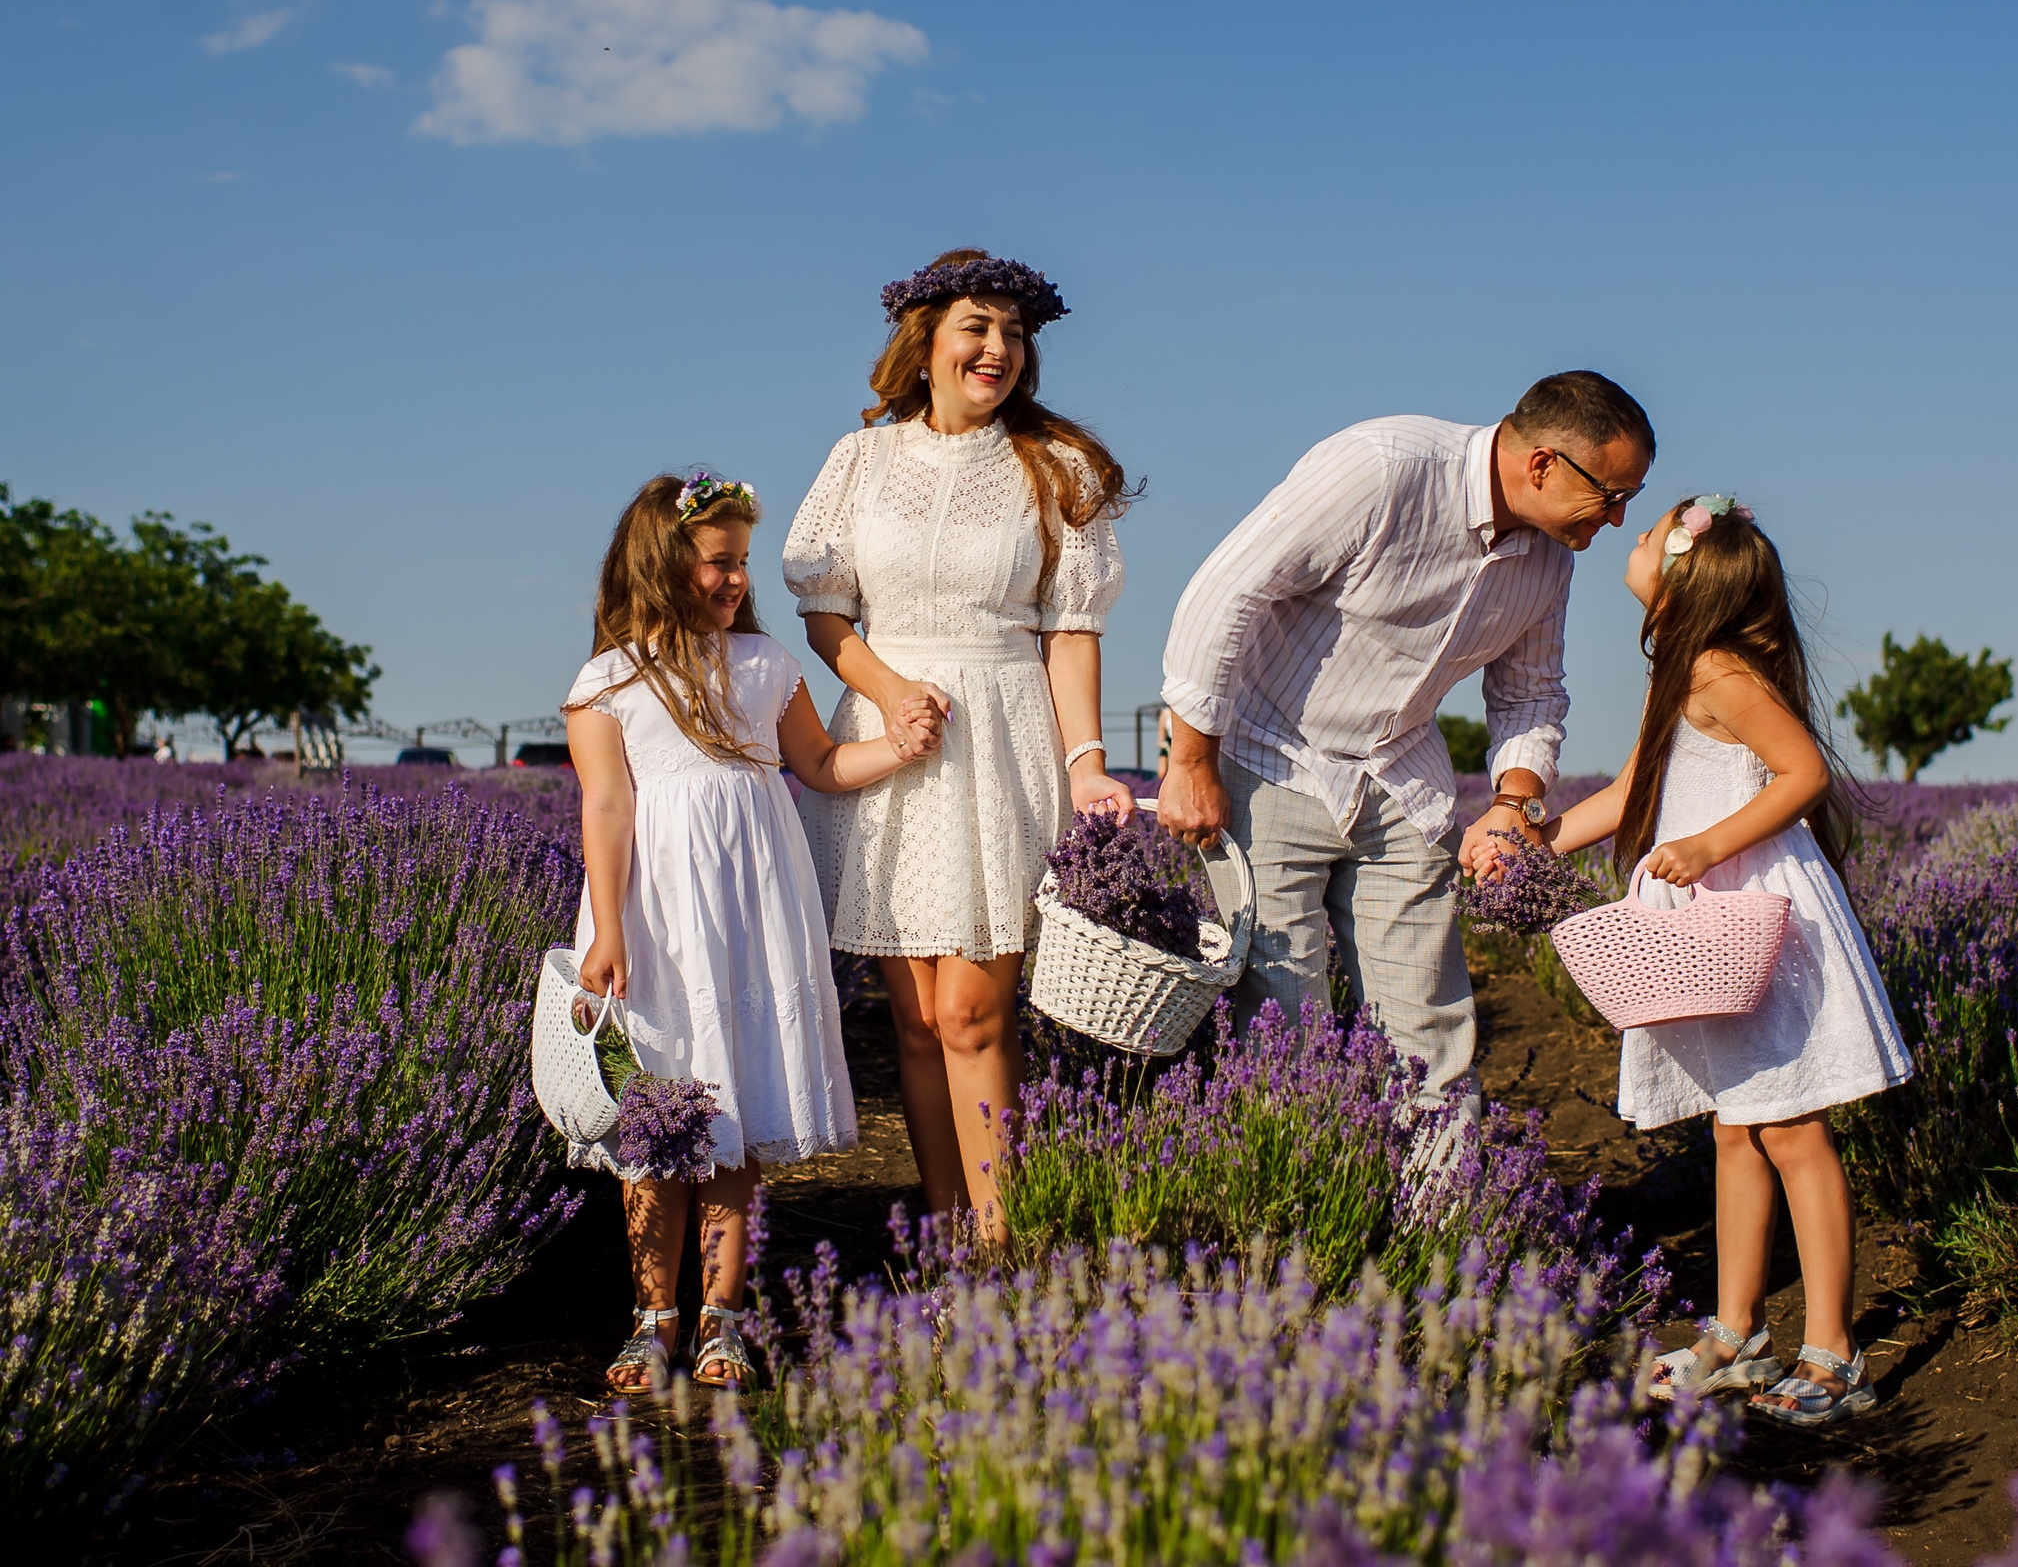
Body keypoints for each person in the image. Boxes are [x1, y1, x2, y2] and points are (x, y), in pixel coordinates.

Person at [1156, 372, 1655, 1110]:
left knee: (1429, 1036)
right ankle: (1296, 1225)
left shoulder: (1551, 558)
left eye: (1628, 501)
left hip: (1399, 782)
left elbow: (1530, 693)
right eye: (1610, 495)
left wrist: (1516, 801)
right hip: (1268, 761)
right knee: (1282, 1030)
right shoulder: (1385, 467)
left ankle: (1444, 1224)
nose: (1615, 520)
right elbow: (1227, 590)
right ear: (1543, 463)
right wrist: (1192, 759)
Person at [1538, 493, 1913, 1430]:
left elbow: (1804, 773)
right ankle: (1736, 1333)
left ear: (1680, 575)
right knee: (1734, 1127)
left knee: (1790, 1130)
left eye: (1651, 532)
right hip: (1712, 926)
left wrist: (1705, 848)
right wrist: (1537, 843)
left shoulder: (1719, 670)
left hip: (1757, 918)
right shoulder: (1681, 666)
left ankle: (1833, 1349)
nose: (1635, 536)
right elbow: (1636, 790)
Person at [565, 470, 942, 1395]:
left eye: (740, 564)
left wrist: (896, 746)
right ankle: (651, 1316)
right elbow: (607, 808)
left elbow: (815, 762)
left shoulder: (767, 665)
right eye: (715, 562)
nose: (734, 579)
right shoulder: (609, 681)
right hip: (655, 915)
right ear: (661, 564)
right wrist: (608, 930)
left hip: (754, 905)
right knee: (656, 1115)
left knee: (734, 1110)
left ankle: (722, 1314)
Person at [783, 250, 1134, 1236]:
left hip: (999, 737)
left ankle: (1001, 1239)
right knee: (918, 1023)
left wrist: (1089, 761)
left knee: (977, 1014)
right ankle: (943, 1234)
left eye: (1015, 335)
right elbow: (827, 616)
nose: (999, 350)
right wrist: (892, 695)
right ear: (925, 340)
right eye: (978, 328)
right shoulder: (858, 461)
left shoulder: (1056, 468)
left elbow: (1071, 635)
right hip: (889, 741)